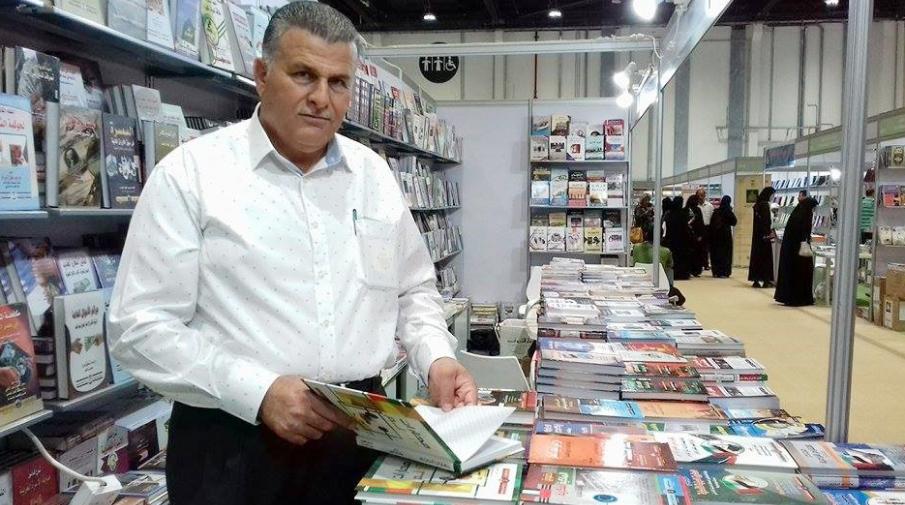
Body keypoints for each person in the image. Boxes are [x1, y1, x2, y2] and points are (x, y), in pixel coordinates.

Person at [107, 4, 477, 504]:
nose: (321, 98)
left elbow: (412, 290)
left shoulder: (373, 178)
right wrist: (256, 391)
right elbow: (138, 328)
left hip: (358, 437)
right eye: (303, 75)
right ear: (261, 74)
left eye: (338, 82)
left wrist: (436, 357)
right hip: (233, 445)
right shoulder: (192, 175)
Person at [774, 196, 818, 306]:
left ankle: (790, 296)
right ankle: (800, 298)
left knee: (793, 273)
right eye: (813, 208)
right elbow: (804, 233)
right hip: (799, 252)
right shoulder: (805, 215)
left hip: (792, 251)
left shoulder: (797, 214)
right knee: (803, 273)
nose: (813, 211)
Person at [632, 224, 685, 305]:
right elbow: (669, 268)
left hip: (639, 284)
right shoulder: (666, 251)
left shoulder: (636, 248)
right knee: (681, 298)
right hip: (660, 285)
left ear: (645, 234)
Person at [748, 186, 776, 288]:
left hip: (757, 235)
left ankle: (756, 279)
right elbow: (766, 221)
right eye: (772, 195)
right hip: (765, 236)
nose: (773, 197)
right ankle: (766, 279)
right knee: (765, 258)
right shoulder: (765, 205)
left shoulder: (757, 205)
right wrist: (769, 233)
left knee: (756, 257)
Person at [709, 195, 737, 278]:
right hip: (725, 235)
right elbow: (734, 222)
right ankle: (724, 271)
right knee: (725, 254)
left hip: (716, 237)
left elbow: (712, 224)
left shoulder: (716, 211)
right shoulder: (728, 211)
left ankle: (716, 271)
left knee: (716, 253)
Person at [666, 195, 692, 280]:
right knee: (682, 258)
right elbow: (686, 227)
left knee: (674, 258)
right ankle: (683, 274)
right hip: (683, 240)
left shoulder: (669, 214)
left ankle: (674, 274)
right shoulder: (683, 214)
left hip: (672, 240)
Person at [686, 195, 705, 277]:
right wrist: (701, 235)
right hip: (696, 235)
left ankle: (689, 269)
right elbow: (700, 223)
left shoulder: (686, 210)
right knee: (697, 253)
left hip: (688, 235)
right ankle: (696, 270)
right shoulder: (697, 210)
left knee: (689, 253)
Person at [696, 188, 714, 270]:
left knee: (706, 247)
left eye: (702, 195)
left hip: (707, 228)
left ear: (705, 196)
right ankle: (698, 264)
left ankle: (706, 264)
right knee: (698, 247)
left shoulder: (710, 206)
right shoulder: (695, 206)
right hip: (698, 228)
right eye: (699, 195)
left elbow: (712, 218)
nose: (700, 197)